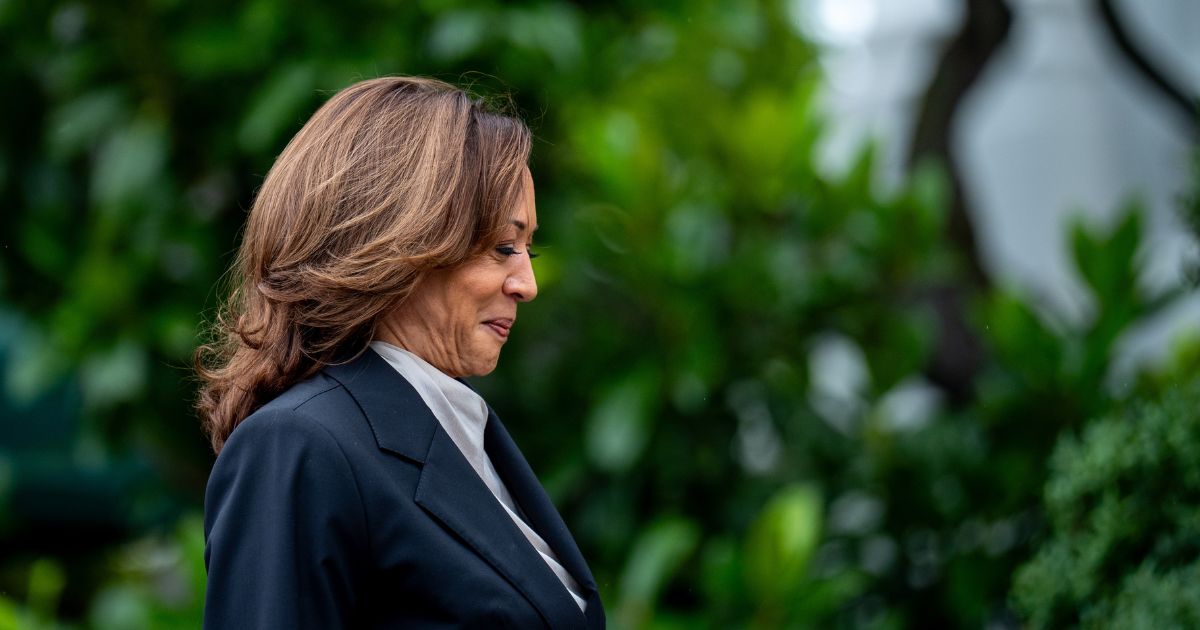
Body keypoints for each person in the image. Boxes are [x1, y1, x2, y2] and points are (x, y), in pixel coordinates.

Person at [195, 76, 605, 629]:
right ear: (403, 239)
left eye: (528, 248)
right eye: (503, 248)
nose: (527, 283)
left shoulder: (455, 434)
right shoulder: (297, 445)